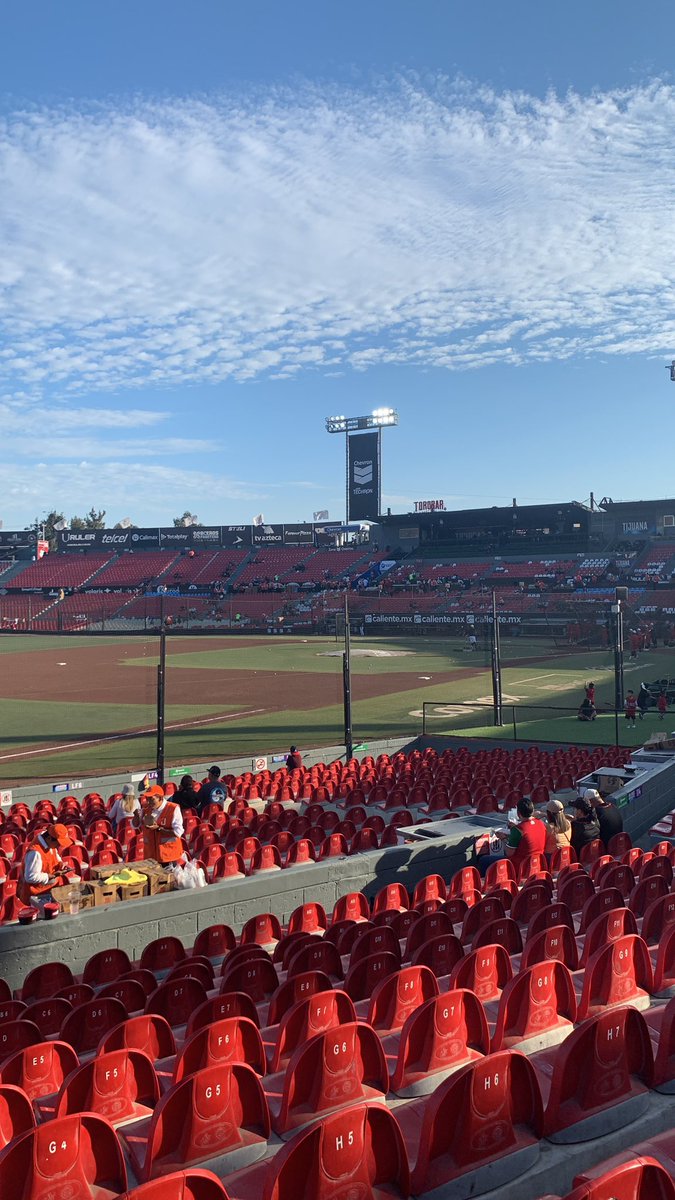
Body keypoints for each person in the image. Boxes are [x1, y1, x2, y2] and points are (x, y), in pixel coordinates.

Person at [18, 823, 73, 907]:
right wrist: (49, 876)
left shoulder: (49, 844)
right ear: (49, 838)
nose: (59, 846)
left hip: (49, 891)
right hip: (37, 897)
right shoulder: (35, 853)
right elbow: (30, 877)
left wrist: (61, 864)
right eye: (58, 843)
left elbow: (55, 855)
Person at [133, 785, 185, 865]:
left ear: (160, 798)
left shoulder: (173, 808)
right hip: (151, 858)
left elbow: (178, 832)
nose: (148, 801)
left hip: (169, 857)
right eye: (147, 799)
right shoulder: (146, 809)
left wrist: (159, 829)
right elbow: (134, 825)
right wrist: (136, 816)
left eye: (151, 799)